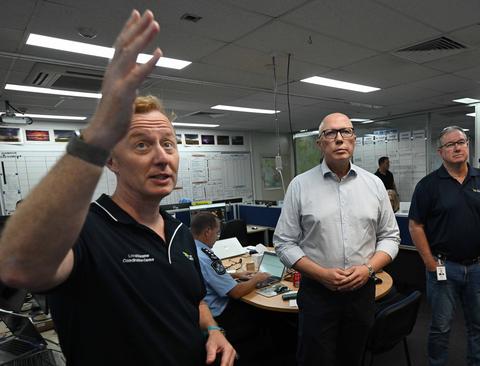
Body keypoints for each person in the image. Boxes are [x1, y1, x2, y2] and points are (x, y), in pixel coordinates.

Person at [0, 10, 235, 366]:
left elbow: (193, 300)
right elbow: (18, 266)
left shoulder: (179, 233)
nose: (161, 157)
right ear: (111, 160)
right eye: (141, 145)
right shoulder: (84, 232)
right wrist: (99, 131)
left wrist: (213, 330)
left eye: (168, 144)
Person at [274, 113, 400, 366]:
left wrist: (368, 269)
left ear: (354, 139)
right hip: (317, 294)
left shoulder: (374, 185)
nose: (339, 139)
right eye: (330, 133)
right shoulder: (299, 186)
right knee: (315, 359)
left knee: (352, 357)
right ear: (320, 143)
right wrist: (321, 274)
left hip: (361, 293)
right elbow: (284, 242)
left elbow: (390, 237)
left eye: (346, 132)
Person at [408, 126, 480, 366]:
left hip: (478, 267)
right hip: (443, 267)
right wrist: (429, 262)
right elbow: (415, 226)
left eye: (461, 142)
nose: (457, 147)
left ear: (468, 145)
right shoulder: (428, 185)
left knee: (479, 325)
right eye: (450, 144)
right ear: (441, 152)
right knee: (440, 326)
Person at [191, 213, 270, 341]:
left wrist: (235, 274)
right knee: (263, 311)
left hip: (200, 311)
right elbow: (236, 292)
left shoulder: (190, 249)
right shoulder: (207, 257)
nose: (217, 238)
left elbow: (207, 275)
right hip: (219, 314)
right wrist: (257, 278)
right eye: (217, 233)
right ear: (207, 232)